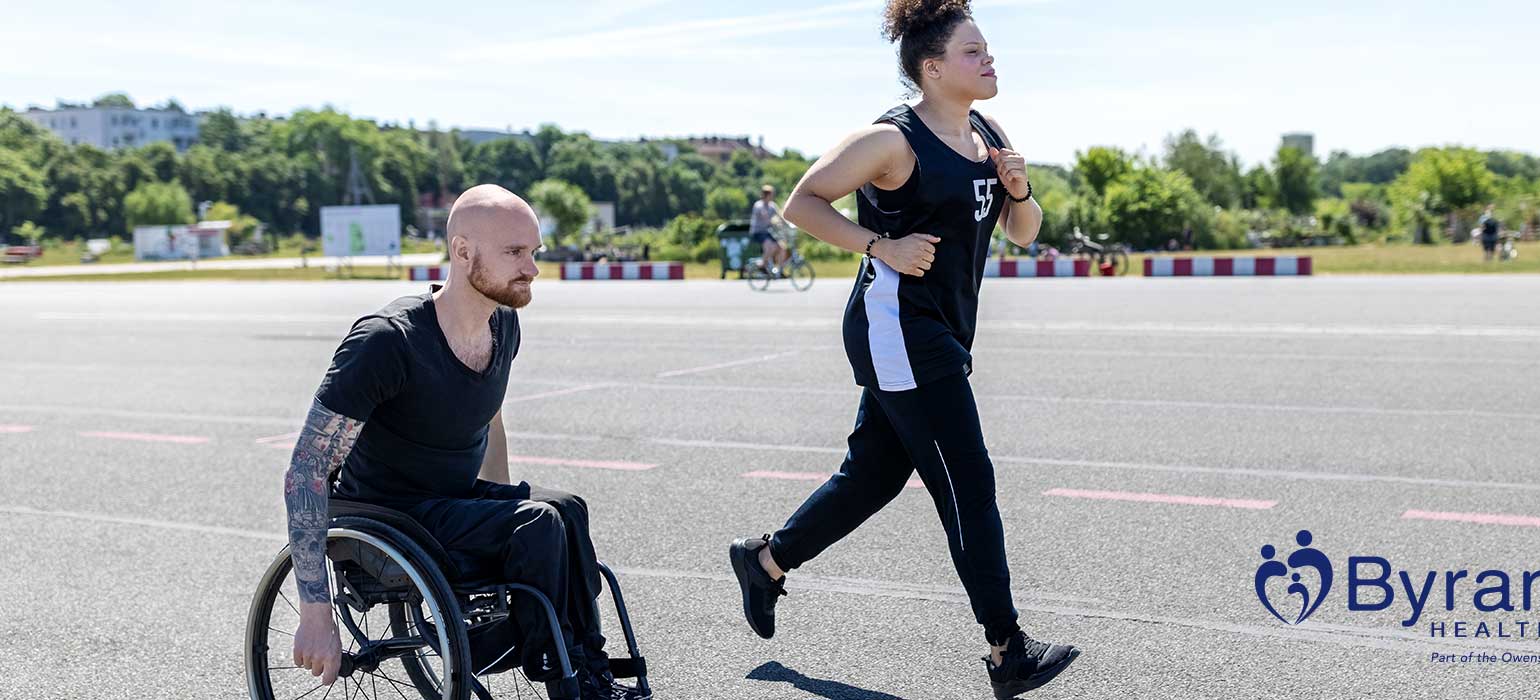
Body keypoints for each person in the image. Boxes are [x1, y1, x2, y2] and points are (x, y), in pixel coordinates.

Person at [726, 2, 1080, 698]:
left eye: (988, 50)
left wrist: (1021, 189)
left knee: (874, 476)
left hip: (941, 330)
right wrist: (879, 245)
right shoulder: (893, 139)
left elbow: (1024, 232)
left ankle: (766, 561)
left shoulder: (986, 132)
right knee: (968, 483)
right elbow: (805, 203)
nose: (989, 60)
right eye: (973, 52)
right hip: (899, 330)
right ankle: (1007, 648)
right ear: (933, 67)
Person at [284, 185, 642, 700]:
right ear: (463, 251)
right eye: (515, 253)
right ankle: (560, 674)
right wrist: (316, 614)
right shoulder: (388, 342)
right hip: (387, 515)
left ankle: (587, 664)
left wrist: (497, 520)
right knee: (537, 523)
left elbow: (490, 422)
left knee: (564, 510)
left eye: (534, 252)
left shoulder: (503, 324)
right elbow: (306, 470)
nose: (532, 268)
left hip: (450, 501)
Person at [749, 184, 788, 272]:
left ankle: (779, 270)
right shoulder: (758, 205)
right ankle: (762, 265)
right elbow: (765, 217)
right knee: (770, 246)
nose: (773, 196)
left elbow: (780, 216)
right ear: (767, 195)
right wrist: (776, 223)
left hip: (767, 232)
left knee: (782, 248)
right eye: (771, 194)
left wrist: (788, 224)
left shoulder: (772, 205)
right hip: (758, 232)